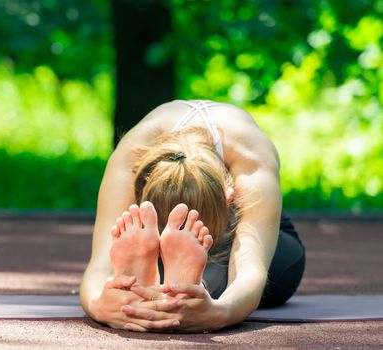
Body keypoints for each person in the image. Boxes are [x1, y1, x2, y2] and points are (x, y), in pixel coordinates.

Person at [79, 100, 305, 332]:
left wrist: (219, 313)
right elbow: (98, 267)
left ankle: (178, 284)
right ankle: (180, 282)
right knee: (279, 268)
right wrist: (100, 306)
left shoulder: (252, 158)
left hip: (245, 231)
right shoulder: (131, 156)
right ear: (142, 194)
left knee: (269, 269)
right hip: (160, 244)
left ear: (230, 199)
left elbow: (251, 271)